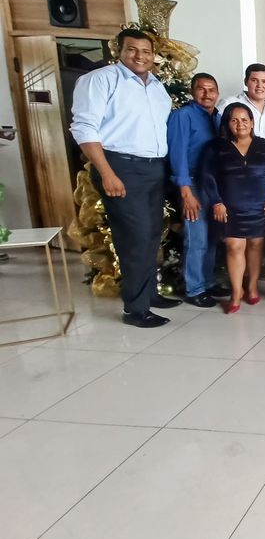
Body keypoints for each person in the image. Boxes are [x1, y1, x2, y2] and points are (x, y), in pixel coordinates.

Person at [70, 28, 180, 327]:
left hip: (153, 167)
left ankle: (149, 293)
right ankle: (135, 308)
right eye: (132, 49)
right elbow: (84, 128)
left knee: (151, 235)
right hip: (120, 166)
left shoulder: (156, 87)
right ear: (119, 51)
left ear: (153, 55)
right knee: (134, 238)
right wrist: (107, 172)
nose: (139, 56)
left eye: (146, 51)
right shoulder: (100, 80)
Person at [201, 102, 265, 313]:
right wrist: (216, 201)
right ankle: (236, 292)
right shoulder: (216, 147)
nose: (240, 124)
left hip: (259, 206)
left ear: (252, 122)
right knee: (234, 247)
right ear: (227, 123)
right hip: (230, 207)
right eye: (234, 120)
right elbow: (207, 176)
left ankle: (252, 287)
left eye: (245, 119)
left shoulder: (264, 145)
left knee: (256, 246)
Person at [167, 72, 229, 308]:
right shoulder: (182, 116)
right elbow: (177, 155)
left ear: (217, 93)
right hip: (192, 183)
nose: (207, 94)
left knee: (212, 236)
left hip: (213, 184)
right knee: (197, 237)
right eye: (201, 89)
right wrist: (186, 193)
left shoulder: (218, 118)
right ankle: (194, 289)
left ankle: (208, 282)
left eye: (211, 89)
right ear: (192, 91)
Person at [220, 63, 265, 144]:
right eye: (254, 80)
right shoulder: (228, 103)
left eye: (264, 81)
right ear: (246, 82)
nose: (260, 85)